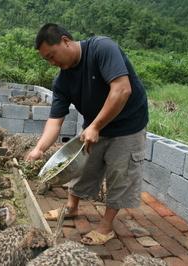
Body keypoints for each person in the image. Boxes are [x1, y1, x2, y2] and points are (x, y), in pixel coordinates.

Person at [26, 23, 148, 245]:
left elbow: (122, 89)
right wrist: (39, 149)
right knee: (83, 166)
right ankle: (71, 208)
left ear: (65, 40)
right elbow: (55, 122)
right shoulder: (62, 81)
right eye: (47, 60)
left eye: (52, 56)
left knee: (119, 175)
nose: (52, 63)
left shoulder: (102, 48)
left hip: (128, 124)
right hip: (96, 126)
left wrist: (95, 126)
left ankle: (106, 227)